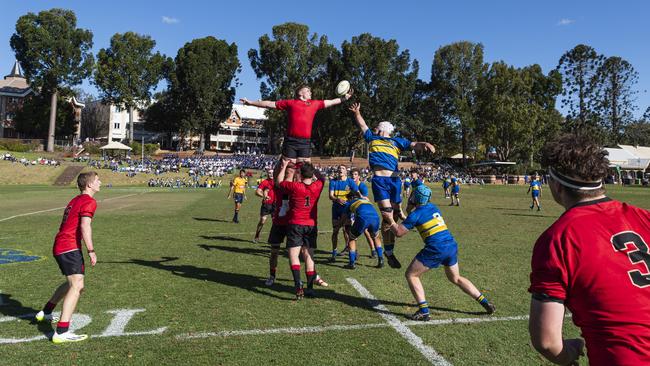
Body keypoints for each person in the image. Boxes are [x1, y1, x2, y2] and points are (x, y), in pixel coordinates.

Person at [528, 134, 650, 366]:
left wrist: (569, 353)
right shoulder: (645, 217)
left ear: (555, 184)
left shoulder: (558, 239)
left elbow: (546, 341)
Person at [388, 185, 495, 321]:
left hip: (436, 248)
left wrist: (390, 221)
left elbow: (399, 232)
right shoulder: (433, 207)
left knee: (411, 275)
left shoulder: (416, 214)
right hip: (450, 245)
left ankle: (424, 311)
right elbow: (413, 217)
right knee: (456, 278)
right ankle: (485, 302)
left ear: (415, 197)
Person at [349, 102, 435, 269]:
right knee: (387, 215)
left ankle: (389, 251)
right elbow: (362, 124)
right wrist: (357, 112)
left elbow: (414, 145)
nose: (373, 130)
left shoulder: (397, 141)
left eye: (376, 128)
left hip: (395, 181)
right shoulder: (371, 138)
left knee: (392, 216)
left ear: (383, 129)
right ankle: (396, 236)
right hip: (380, 181)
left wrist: (425, 144)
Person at [35, 172, 101, 343]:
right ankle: (62, 331)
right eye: (97, 180)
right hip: (68, 246)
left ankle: (47, 312)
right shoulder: (89, 201)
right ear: (89, 185)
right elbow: (85, 226)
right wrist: (91, 250)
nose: (100, 182)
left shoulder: (75, 200)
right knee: (77, 285)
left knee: (71, 283)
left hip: (62, 245)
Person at [240, 85, 353, 163]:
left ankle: (303, 196)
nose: (311, 92)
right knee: (289, 168)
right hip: (291, 141)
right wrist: (251, 103)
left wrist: (344, 98)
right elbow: (269, 104)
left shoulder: (314, 104)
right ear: (300, 93)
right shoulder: (290, 103)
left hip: (305, 142)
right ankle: (285, 196)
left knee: (305, 169)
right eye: (308, 91)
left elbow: (331, 102)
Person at [276, 160, 326, 299]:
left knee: (294, 256)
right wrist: (312, 167)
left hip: (295, 224)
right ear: (311, 174)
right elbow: (322, 178)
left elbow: (279, 182)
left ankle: (298, 286)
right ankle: (310, 289)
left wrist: (284, 165)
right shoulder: (318, 186)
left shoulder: (295, 186)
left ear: (300, 174)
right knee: (309, 257)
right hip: (311, 225)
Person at [341, 191, 383, 269]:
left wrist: (340, 224)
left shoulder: (350, 203)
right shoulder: (366, 201)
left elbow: (344, 217)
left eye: (348, 199)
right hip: (376, 218)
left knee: (352, 239)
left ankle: (351, 263)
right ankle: (381, 259)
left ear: (351, 198)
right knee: (376, 237)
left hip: (363, 218)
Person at [328, 165, 358, 262]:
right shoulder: (333, 181)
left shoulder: (350, 181)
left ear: (346, 172)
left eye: (343, 168)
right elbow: (330, 196)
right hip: (336, 209)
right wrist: (337, 199)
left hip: (347, 209)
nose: (340, 170)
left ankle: (353, 253)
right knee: (335, 231)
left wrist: (362, 198)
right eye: (339, 168)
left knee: (349, 231)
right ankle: (334, 253)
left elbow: (357, 192)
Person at [351, 168, 377, 257]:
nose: (353, 176)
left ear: (358, 176)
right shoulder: (349, 184)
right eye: (352, 174)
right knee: (350, 230)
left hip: (361, 210)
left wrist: (357, 195)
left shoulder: (362, 186)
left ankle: (373, 249)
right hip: (352, 210)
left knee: (366, 231)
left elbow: (365, 199)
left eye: (355, 174)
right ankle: (354, 251)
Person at [254, 168, 275, 242]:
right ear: (267, 174)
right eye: (269, 173)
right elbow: (257, 192)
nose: (271, 174)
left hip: (275, 205)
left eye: (272, 172)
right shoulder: (264, 182)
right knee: (262, 220)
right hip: (266, 204)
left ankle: (273, 238)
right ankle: (257, 234)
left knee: (275, 223)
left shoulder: (278, 181)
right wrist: (263, 196)